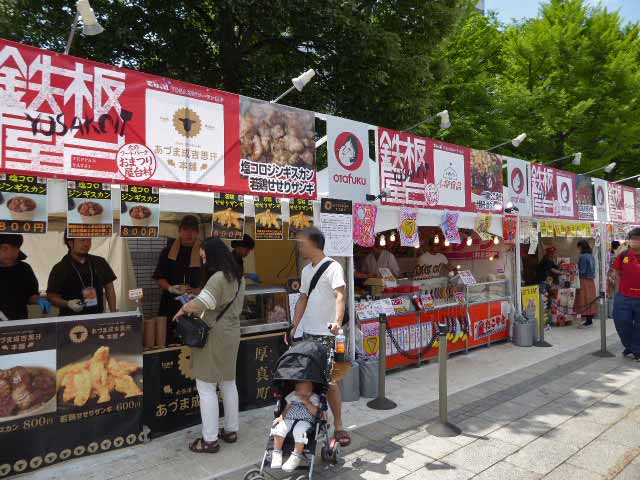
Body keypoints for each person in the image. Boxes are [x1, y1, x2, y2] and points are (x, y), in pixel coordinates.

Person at [173, 237, 245, 453]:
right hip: (232, 333)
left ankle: (209, 440)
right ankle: (231, 430)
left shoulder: (217, 277)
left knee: (205, 387)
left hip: (215, 334)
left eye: (204, 256)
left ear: (212, 255)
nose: (203, 260)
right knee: (228, 382)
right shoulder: (237, 276)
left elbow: (202, 303)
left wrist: (183, 309)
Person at [290, 227, 351, 447]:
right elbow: (302, 299)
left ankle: (340, 425)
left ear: (314, 244)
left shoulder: (334, 267)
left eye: (302, 242)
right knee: (312, 380)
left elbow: (340, 296)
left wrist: (337, 320)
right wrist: (293, 326)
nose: (299, 246)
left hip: (328, 335)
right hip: (308, 334)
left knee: (332, 381)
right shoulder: (306, 271)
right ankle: (320, 417)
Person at [153, 215, 202, 343]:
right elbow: (159, 277)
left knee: (194, 338)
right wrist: (170, 288)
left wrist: (199, 290)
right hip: (170, 303)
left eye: (192, 230)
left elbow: (212, 278)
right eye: (185, 229)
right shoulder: (167, 251)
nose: (188, 233)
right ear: (179, 231)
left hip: (195, 302)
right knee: (169, 337)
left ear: (197, 233)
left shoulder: (204, 252)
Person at [47, 233, 117, 316]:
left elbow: (109, 288)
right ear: (70, 243)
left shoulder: (100, 262)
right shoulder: (60, 268)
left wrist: (113, 312)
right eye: (82, 240)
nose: (86, 244)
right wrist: (68, 303)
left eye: (89, 240)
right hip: (70, 319)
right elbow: (51, 296)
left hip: (97, 317)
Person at [270, 380, 320, 471]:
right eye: (298, 389)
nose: (299, 392)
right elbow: (286, 408)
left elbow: (315, 412)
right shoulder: (293, 395)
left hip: (305, 420)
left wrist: (307, 402)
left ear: (310, 390)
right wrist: (281, 416)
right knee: (280, 428)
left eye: (303, 389)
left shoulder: (314, 397)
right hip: (289, 418)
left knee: (299, 431)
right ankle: (276, 452)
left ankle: (296, 456)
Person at [0, 234, 49, 320]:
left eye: (14, 248)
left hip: (19, 323)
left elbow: (30, 295)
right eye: (5, 248)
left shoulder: (25, 269)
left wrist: (40, 301)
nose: (9, 253)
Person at [613, 228, 640, 360]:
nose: (636, 242)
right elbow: (617, 273)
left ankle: (636, 350)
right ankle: (631, 346)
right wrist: (617, 292)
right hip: (624, 296)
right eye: (633, 239)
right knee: (622, 323)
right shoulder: (623, 255)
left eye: (638, 239)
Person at [575, 240, 598, 328]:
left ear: (581, 247)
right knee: (590, 300)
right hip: (591, 282)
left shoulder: (583, 257)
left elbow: (582, 271)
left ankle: (588, 322)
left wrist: (575, 271)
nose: (578, 249)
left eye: (578, 247)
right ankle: (589, 320)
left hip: (584, 281)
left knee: (584, 300)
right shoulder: (591, 256)